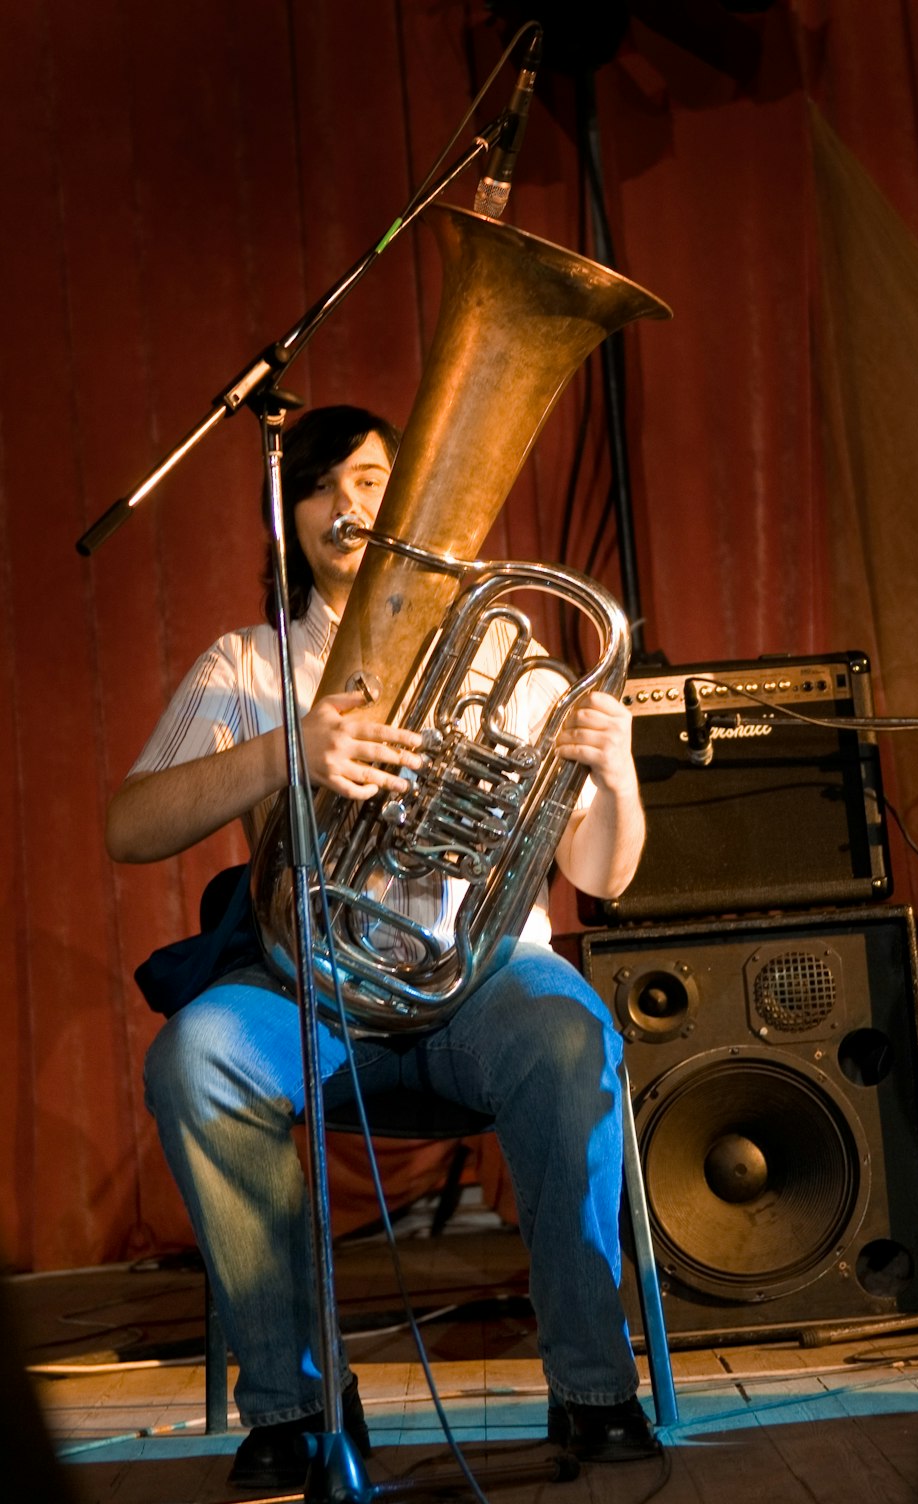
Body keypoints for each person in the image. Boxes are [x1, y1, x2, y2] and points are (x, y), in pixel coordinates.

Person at [105, 404, 663, 1491]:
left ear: (415, 503)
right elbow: (128, 829)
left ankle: (593, 1386)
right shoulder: (250, 662)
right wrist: (289, 751)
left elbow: (602, 874)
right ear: (287, 516)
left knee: (566, 1038)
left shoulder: (506, 649)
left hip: (480, 975)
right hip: (305, 986)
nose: (347, 508)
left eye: (370, 480)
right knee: (194, 1058)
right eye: (319, 487)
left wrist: (617, 771)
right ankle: (301, 1405)